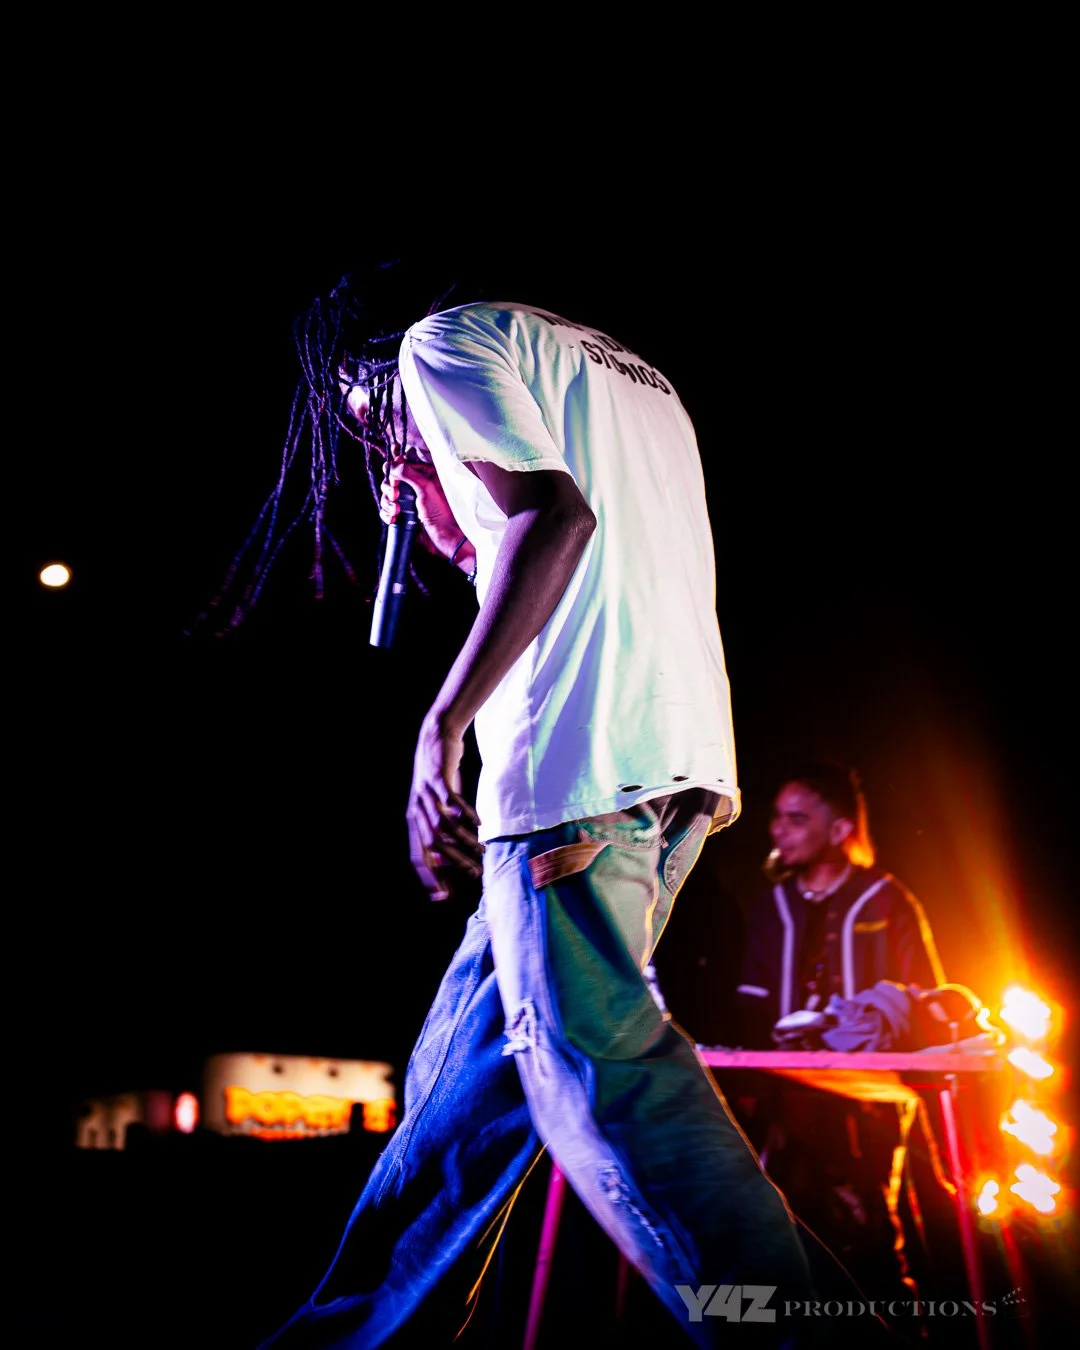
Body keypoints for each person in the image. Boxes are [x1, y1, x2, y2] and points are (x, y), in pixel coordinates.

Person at [243, 261, 894, 1349]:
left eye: (358, 414)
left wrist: (439, 726)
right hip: (671, 761)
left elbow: (556, 522)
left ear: (362, 361)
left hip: (572, 774)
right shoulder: (625, 374)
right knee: (468, 1102)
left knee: (604, 1086)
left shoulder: (437, 349)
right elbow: (535, 545)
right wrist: (446, 517)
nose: (367, 433)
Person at [731, 760, 947, 1315]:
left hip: (867, 1094)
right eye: (777, 818)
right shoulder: (770, 906)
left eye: (797, 818)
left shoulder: (886, 898)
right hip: (786, 1092)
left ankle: (889, 1330)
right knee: (781, 1224)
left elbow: (926, 996)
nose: (779, 829)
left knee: (867, 1222)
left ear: (840, 828)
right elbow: (752, 1005)